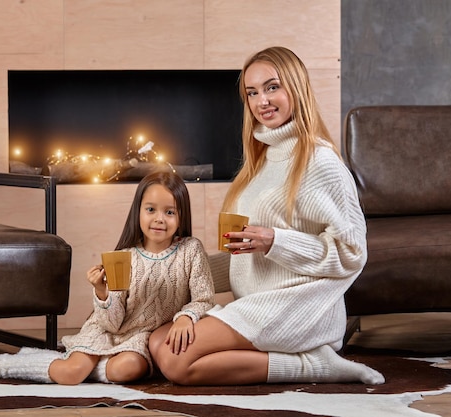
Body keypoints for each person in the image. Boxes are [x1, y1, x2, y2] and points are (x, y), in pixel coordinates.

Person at [148, 46, 385, 386]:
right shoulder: (260, 164)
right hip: (256, 303)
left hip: (295, 307)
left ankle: (316, 365)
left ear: (296, 87)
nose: (262, 101)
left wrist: (276, 241)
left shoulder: (320, 162)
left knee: (175, 360)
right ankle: (289, 358)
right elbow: (242, 256)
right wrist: (175, 269)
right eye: (252, 92)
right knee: (158, 340)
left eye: (273, 87)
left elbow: (351, 254)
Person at [0, 171, 215, 384]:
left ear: (181, 217)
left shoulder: (190, 250)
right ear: (138, 212)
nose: (160, 219)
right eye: (151, 210)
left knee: (127, 370)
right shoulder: (124, 257)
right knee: (70, 374)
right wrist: (102, 293)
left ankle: (83, 365)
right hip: (108, 330)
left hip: (142, 339)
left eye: (170, 212)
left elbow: (204, 298)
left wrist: (185, 316)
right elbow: (112, 324)